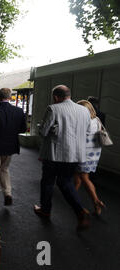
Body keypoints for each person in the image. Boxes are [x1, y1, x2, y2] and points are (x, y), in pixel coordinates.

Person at [33, 85, 91, 231]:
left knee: (47, 182)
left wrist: (45, 127)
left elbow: (43, 132)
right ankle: (80, 211)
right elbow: (87, 130)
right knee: (66, 183)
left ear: (56, 97)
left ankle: (45, 210)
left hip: (54, 154)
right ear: (69, 95)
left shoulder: (53, 108)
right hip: (75, 154)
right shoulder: (84, 110)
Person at [74, 100, 105, 216]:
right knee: (77, 177)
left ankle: (96, 202)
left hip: (85, 153)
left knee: (84, 177)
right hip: (94, 153)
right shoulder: (97, 120)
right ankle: (72, 199)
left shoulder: (84, 121)